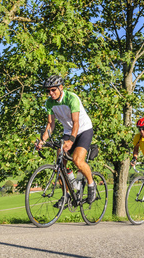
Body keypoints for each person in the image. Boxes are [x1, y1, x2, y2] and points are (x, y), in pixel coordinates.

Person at [35, 75, 96, 204]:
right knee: (59, 164)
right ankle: (66, 195)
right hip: (68, 131)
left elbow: (76, 122)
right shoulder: (49, 103)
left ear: (61, 87)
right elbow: (50, 125)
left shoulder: (71, 98)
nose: (51, 93)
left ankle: (91, 185)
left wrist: (71, 141)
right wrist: (43, 140)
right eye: (48, 91)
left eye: (53, 90)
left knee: (77, 160)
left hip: (83, 129)